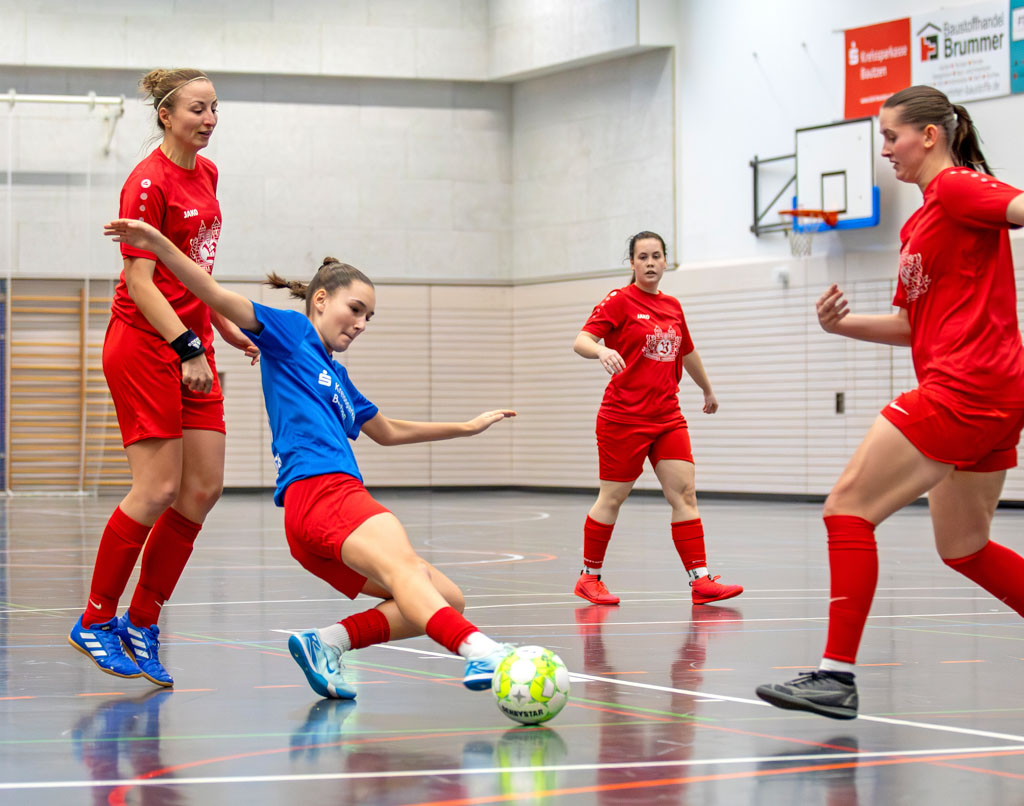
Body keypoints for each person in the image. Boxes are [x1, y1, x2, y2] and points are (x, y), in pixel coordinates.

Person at [756, 85, 1024, 719]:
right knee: (964, 546)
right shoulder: (920, 220)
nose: (884, 151)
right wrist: (842, 326)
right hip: (996, 392)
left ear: (930, 135)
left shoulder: (955, 187)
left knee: (846, 509)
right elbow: (909, 323)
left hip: (966, 387)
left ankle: (836, 676)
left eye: (890, 136)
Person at [103, 219, 518, 700]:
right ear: (321, 300)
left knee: (447, 597)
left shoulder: (337, 377)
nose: (361, 323)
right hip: (323, 491)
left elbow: (386, 430)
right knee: (407, 571)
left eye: (369, 317)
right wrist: (159, 246)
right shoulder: (292, 332)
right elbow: (216, 295)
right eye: (355, 309)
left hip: (316, 516)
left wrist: (465, 427)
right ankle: (481, 651)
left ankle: (326, 644)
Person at [69, 68, 258, 687]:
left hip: (191, 339)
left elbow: (194, 265)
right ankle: (96, 619)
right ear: (165, 115)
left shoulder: (208, 175)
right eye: (197, 110)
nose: (209, 119)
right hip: (147, 346)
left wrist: (221, 324)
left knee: (202, 488)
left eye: (214, 109)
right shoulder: (146, 183)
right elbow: (140, 282)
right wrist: (186, 346)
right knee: (156, 489)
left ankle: (142, 622)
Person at [571, 231, 743, 606]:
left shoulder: (673, 306)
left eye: (656, 256)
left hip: (667, 416)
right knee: (612, 498)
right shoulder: (620, 301)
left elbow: (687, 352)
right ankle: (589, 577)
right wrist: (600, 351)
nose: (650, 263)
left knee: (684, 493)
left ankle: (700, 581)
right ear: (632, 263)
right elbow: (581, 340)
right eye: (642, 257)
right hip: (623, 418)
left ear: (666, 261)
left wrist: (708, 390)